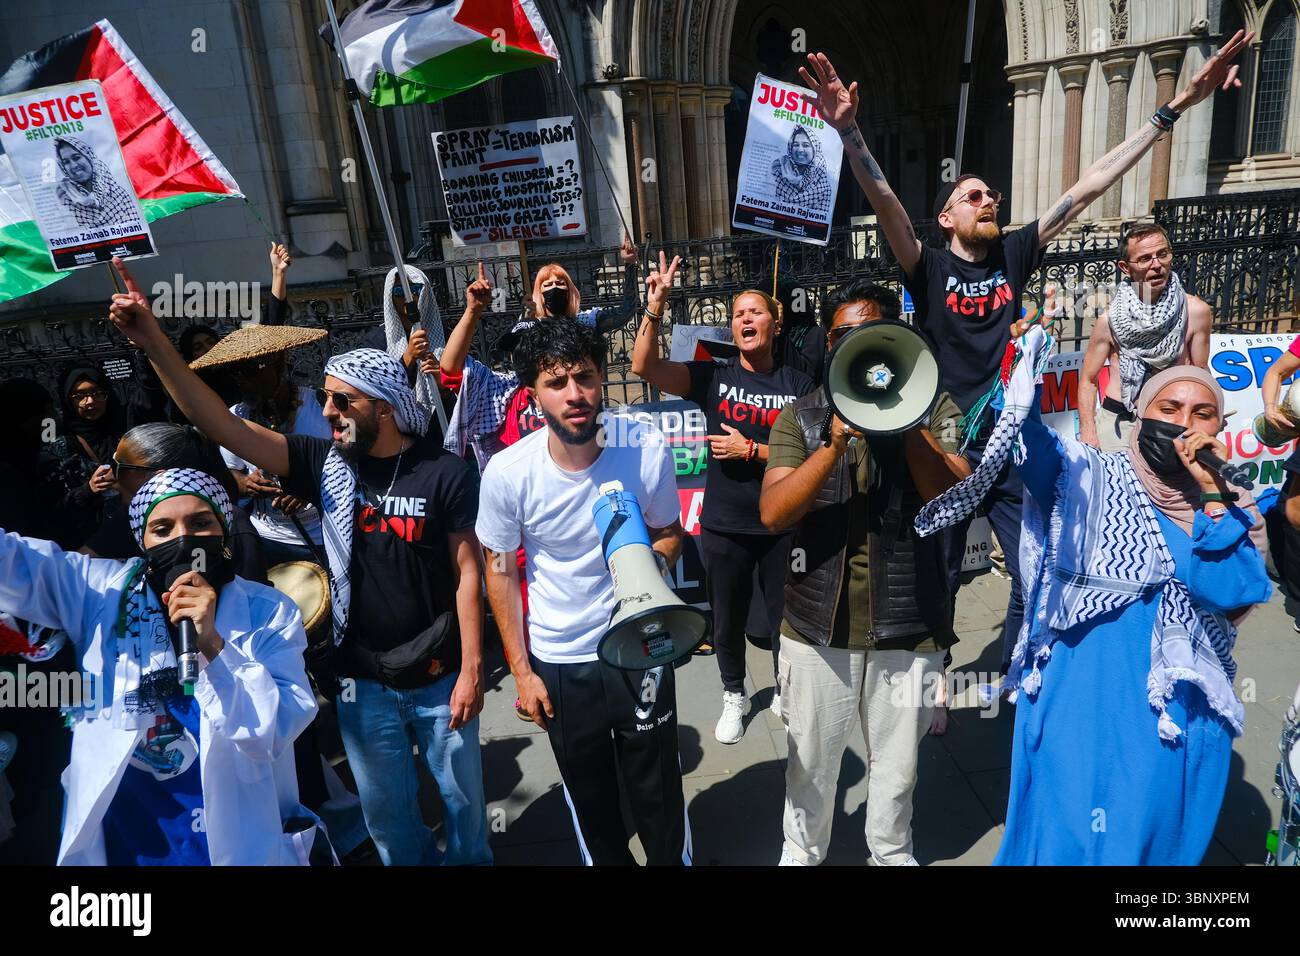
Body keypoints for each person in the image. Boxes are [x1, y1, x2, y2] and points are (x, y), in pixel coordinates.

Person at [799, 32, 1252, 674]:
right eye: (974, 196)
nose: (991, 201)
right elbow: (888, 205)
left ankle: (1016, 670)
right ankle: (933, 674)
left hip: (1012, 440)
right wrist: (850, 133)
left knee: (1035, 564)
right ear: (947, 217)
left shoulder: (1014, 254)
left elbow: (1090, 184)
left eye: (991, 196)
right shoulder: (924, 266)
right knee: (942, 566)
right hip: (949, 439)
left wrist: (1175, 106)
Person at [106, 257, 492, 867]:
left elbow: (472, 570)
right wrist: (151, 339)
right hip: (363, 683)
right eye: (329, 401)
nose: (329, 410)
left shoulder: (444, 473)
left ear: (384, 407)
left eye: (342, 401)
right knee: (390, 827)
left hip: (442, 676)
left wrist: (473, 669)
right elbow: (216, 424)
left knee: (466, 814)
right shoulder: (324, 464)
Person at [916, 325, 1270, 864]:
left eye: (1203, 413)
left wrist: (1212, 494)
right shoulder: (1089, 475)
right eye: (1170, 408)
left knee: (1141, 839)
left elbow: (1231, 590)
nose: (1185, 424)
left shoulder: (1235, 503)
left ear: (1221, 426)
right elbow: (1032, 449)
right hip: (1080, 698)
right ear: (1142, 414)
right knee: (1065, 833)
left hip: (1167, 712)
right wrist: (1021, 379)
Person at [0, 467, 320, 864]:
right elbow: (11, 563)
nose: (183, 539)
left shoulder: (268, 611)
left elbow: (271, 733)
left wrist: (214, 647)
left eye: (201, 523)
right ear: (142, 540)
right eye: (163, 529)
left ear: (223, 531)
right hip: (132, 841)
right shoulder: (98, 592)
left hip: (233, 837)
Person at [759, 280, 969, 866]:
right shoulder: (800, 418)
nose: (857, 347)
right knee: (811, 768)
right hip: (816, 632)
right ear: (827, 344)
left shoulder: (932, 405)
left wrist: (905, 427)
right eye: (844, 337)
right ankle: (802, 852)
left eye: (870, 335)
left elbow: (952, 495)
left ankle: (889, 853)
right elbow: (774, 512)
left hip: (910, 626)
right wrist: (831, 446)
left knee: (897, 773)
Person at [476, 318, 692, 865]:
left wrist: (644, 570)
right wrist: (522, 674)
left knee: (659, 793)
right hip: (561, 660)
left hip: (642, 645)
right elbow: (499, 572)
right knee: (592, 803)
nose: (575, 395)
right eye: (557, 382)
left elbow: (671, 533)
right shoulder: (507, 472)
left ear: (601, 380)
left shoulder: (642, 444)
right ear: (534, 395)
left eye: (586, 378)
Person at [633, 254, 814, 743]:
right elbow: (644, 366)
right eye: (737, 315)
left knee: (786, 620)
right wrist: (656, 306)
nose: (745, 320)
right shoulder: (713, 377)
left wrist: (751, 450)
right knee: (728, 620)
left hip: (782, 525)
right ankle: (734, 694)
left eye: (755, 312)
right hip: (724, 524)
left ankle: (785, 690)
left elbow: (813, 456)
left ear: (775, 325)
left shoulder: (797, 385)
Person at [440, 234, 641, 471]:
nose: (572, 389)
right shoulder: (507, 391)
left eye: (582, 375)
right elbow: (450, 370)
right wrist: (473, 310)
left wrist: (629, 265)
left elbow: (626, 310)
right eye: (547, 285)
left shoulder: (586, 326)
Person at [186, 326, 333, 567]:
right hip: (267, 538)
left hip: (322, 535)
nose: (242, 381)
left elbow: (355, 462)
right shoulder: (236, 416)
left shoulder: (323, 407)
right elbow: (232, 473)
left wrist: (310, 485)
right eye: (235, 373)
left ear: (278, 366)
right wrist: (246, 483)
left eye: (250, 371)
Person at [80, 423, 268, 585]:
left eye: (117, 468)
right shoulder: (130, 516)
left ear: (160, 478)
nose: (109, 475)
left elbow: (251, 608)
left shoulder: (234, 529)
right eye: (161, 530)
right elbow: (82, 566)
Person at [1078, 222, 1211, 451]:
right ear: (1125, 267)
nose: (1157, 265)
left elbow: (1200, 373)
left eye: (1163, 254)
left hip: (1171, 425)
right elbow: (1089, 381)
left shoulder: (1195, 312)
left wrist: (1208, 417)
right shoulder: (1109, 322)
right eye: (1145, 258)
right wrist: (1089, 431)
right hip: (1119, 424)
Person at [50, 367, 128, 547]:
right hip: (95, 540)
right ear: (68, 401)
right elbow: (53, 507)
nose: (90, 401)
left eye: (97, 393)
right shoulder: (62, 444)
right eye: (79, 396)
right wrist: (89, 488)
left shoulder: (125, 428)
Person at [52, 136, 139, 231]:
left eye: (76, 158)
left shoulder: (118, 195)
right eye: (66, 162)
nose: (73, 165)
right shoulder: (64, 198)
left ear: (88, 157)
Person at [771, 126, 832, 214]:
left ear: (814, 150)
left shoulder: (822, 185)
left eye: (806, 145)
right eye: (795, 145)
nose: (800, 150)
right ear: (790, 148)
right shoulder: (778, 169)